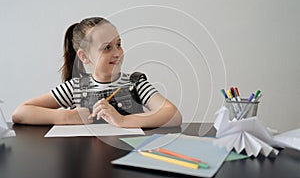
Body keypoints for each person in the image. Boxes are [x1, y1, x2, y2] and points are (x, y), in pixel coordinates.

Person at [12, 17, 182, 128]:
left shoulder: (135, 83)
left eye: (118, 44)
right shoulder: (75, 87)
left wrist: (122, 120)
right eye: (107, 47)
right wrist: (67, 117)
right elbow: (20, 113)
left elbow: (173, 115)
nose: (117, 52)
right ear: (84, 57)